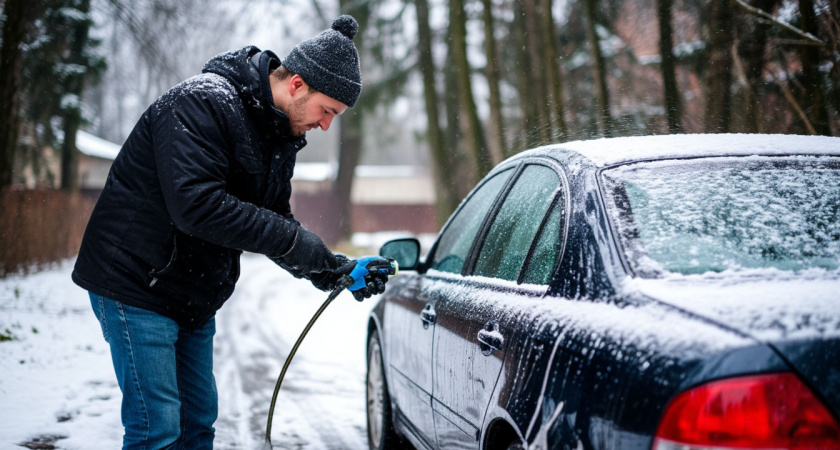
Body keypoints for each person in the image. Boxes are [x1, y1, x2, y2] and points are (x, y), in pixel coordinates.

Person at [72, 15, 387, 449]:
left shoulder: (278, 135)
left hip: (192, 295)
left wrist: (333, 269)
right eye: (327, 111)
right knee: (157, 430)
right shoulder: (201, 104)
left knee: (198, 425)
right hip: (136, 284)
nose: (326, 125)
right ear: (297, 84)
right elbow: (196, 206)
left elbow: (272, 219)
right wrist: (297, 243)